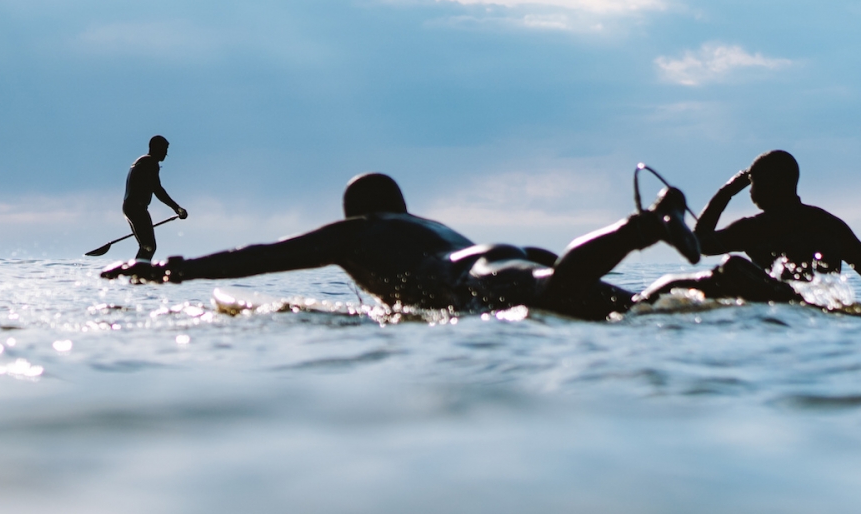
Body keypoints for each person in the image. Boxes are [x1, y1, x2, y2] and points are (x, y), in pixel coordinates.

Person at [102, 172, 705, 321]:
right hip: (505, 255)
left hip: (475, 278)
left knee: (562, 293)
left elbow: (256, 257)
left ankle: (645, 225)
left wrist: (166, 271)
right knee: (635, 307)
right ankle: (725, 280)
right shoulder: (427, 224)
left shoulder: (360, 230)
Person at [692, 150, 861, 280]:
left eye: (753, 184)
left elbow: (698, 245)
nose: (750, 191)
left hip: (776, 313)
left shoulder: (755, 229)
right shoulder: (830, 225)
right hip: (826, 313)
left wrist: (726, 192)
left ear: (766, 187)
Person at [123, 135, 188, 261]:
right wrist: (177, 208)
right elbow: (157, 190)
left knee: (146, 246)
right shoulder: (150, 162)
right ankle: (138, 275)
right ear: (156, 148)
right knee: (149, 246)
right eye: (164, 149)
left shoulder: (143, 161)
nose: (166, 153)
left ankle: (138, 273)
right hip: (137, 208)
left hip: (130, 207)